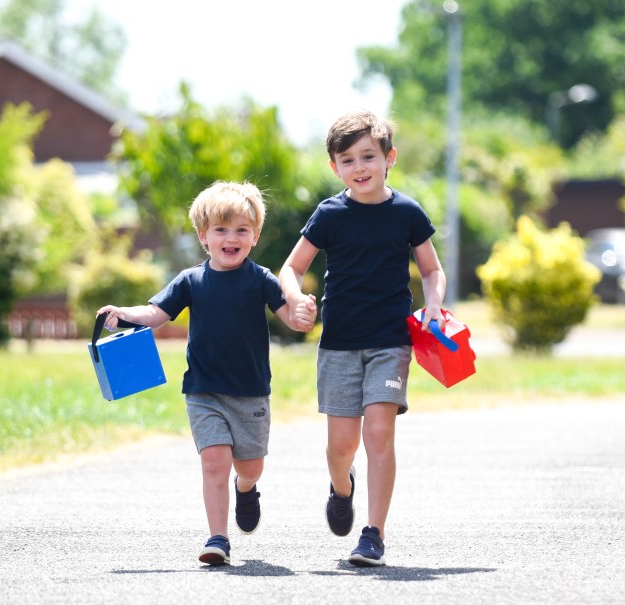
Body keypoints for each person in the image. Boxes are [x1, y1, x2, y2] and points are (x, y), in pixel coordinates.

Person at [98, 181, 314, 566]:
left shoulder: (261, 278)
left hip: (250, 392)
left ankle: (246, 489)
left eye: (240, 230)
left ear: (254, 235)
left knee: (250, 465)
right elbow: (156, 315)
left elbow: (290, 319)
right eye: (220, 230)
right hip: (203, 390)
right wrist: (126, 314)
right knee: (214, 461)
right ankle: (218, 538)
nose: (230, 238)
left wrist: (301, 315)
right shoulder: (190, 280)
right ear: (203, 236)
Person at [279, 109, 446, 567]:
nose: (360, 168)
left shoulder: (407, 212)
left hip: (391, 342)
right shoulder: (330, 214)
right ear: (335, 167)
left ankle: (373, 534)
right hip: (338, 343)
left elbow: (432, 270)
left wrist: (433, 305)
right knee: (341, 445)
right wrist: (295, 299)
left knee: (378, 433)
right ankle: (341, 487)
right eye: (348, 160)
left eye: (368, 156)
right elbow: (291, 268)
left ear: (389, 157)